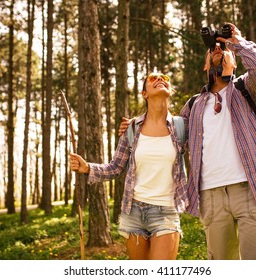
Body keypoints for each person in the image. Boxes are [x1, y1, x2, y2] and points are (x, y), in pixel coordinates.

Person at [119, 23, 256, 260]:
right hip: (210, 197)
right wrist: (135, 127)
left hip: (252, 191)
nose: (217, 50)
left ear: (234, 60)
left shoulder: (249, 89)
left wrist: (236, 41)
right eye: (212, 50)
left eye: (223, 50)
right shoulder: (193, 106)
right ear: (205, 65)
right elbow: (168, 134)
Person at [70, 73, 189, 260]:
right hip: (133, 211)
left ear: (170, 90)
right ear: (144, 94)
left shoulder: (182, 126)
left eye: (164, 77)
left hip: (166, 211)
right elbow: (115, 167)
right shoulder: (132, 129)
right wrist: (87, 168)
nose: (159, 79)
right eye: (152, 78)